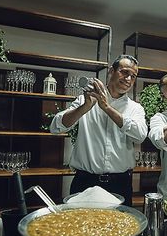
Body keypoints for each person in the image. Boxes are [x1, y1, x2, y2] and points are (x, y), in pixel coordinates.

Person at [50, 54, 147, 206]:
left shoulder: (136, 108)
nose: (128, 79)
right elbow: (56, 127)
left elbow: (140, 136)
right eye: (124, 72)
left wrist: (106, 108)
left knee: (120, 229)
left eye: (133, 76)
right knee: (81, 228)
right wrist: (85, 107)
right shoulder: (85, 99)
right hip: (85, 182)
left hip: (120, 183)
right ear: (111, 71)